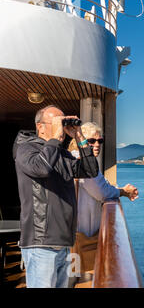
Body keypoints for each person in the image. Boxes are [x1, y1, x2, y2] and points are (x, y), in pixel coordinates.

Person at [13, 105, 98, 288]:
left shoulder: (61, 153)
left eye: (62, 121)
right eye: (56, 122)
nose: (60, 126)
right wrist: (55, 139)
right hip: (41, 242)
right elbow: (41, 168)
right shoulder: (26, 149)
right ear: (40, 126)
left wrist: (79, 137)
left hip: (63, 241)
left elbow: (90, 170)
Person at [70, 122, 138, 238]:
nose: (97, 144)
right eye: (91, 141)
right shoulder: (80, 162)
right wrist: (123, 192)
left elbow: (99, 185)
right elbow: (101, 191)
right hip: (82, 234)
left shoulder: (74, 158)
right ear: (80, 141)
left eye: (100, 141)